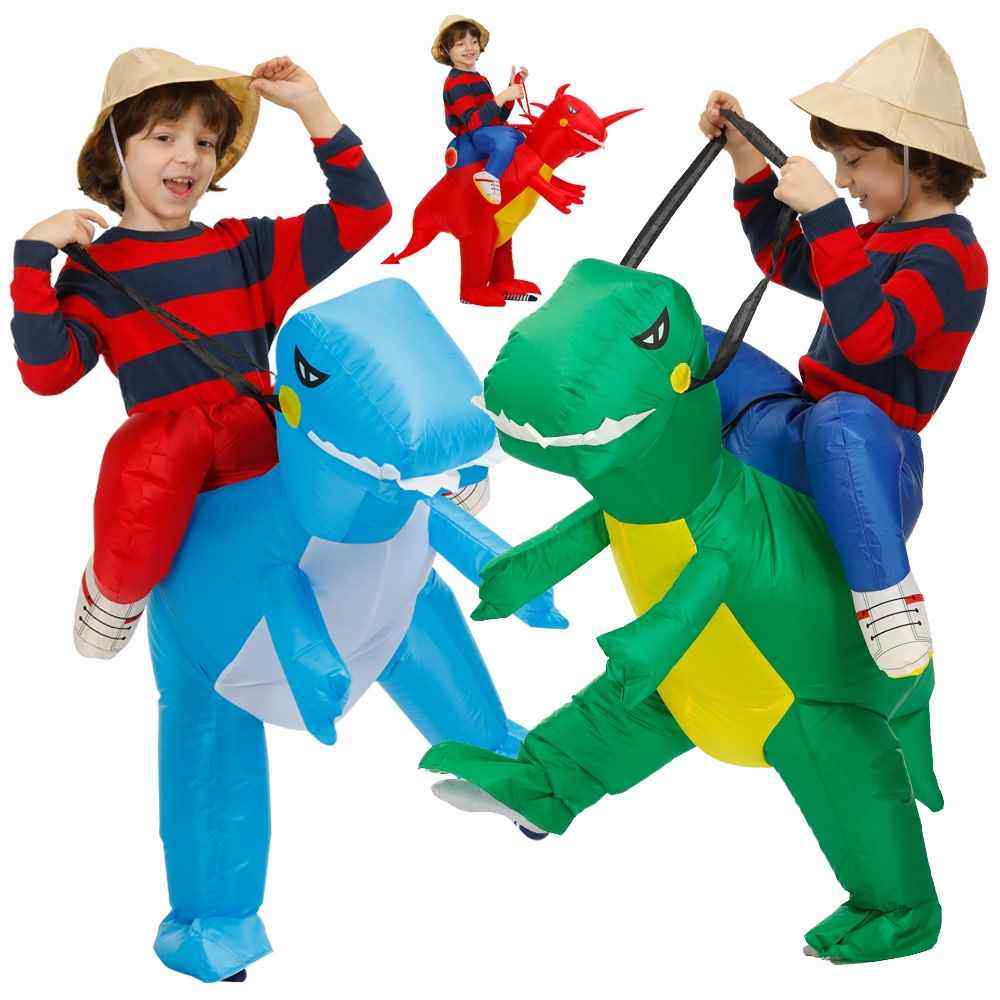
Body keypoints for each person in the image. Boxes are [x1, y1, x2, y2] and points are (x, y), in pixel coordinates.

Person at [9, 49, 391, 659]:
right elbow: (48, 374)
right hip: (178, 484)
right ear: (117, 150)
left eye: (205, 142)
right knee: (157, 446)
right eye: (164, 137)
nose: (188, 156)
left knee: (338, 368)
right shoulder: (93, 275)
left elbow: (365, 211)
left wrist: (312, 108)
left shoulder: (245, 247)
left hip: (274, 458)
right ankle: (114, 588)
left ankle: (423, 476)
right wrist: (32, 257)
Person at [697, 28, 987, 677]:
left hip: (872, 462)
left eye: (853, 162)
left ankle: (886, 595)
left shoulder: (953, 258)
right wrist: (745, 156)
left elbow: (870, 335)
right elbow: (785, 259)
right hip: (804, 425)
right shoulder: (879, 235)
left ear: (912, 155)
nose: (843, 179)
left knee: (843, 418)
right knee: (694, 346)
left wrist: (827, 216)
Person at [432, 15, 527, 204]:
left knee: (522, 137)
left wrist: (512, 88)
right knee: (506, 137)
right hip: (472, 136)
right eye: (460, 44)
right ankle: (489, 175)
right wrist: (502, 97)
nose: (469, 48)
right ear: (446, 50)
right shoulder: (455, 83)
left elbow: (499, 116)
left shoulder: (480, 79)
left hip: (490, 130)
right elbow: (474, 122)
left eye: (474, 42)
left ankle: (514, 180)